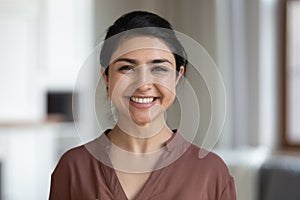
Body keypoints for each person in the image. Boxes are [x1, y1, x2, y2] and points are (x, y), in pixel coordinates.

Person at [49, 11, 236, 200]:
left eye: (159, 68)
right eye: (127, 68)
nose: (143, 84)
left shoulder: (211, 172)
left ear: (178, 75)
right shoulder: (73, 167)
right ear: (106, 76)